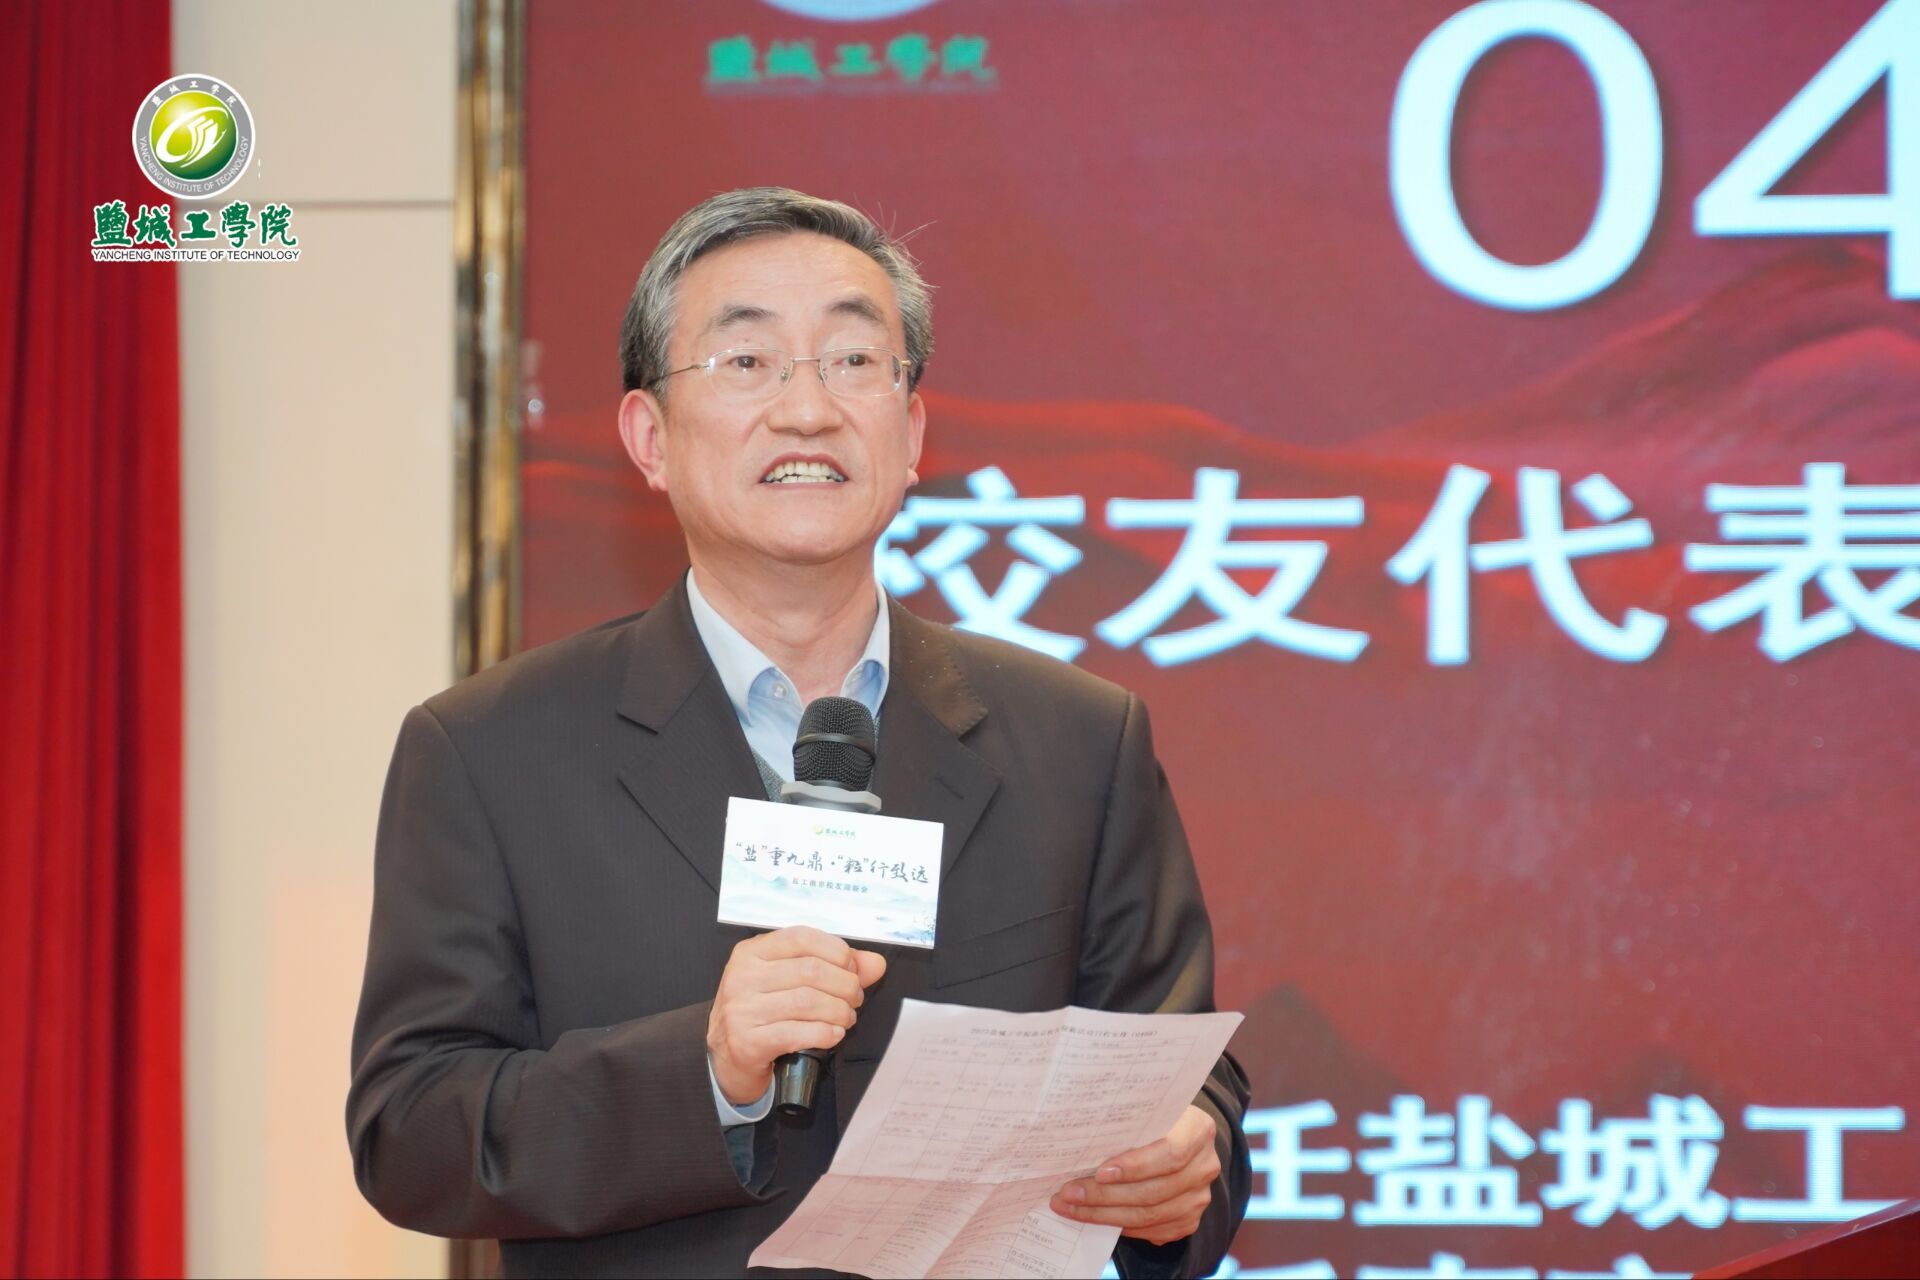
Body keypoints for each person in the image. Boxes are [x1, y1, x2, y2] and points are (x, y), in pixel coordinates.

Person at [347, 187, 1251, 1278]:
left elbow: (1184, 1079)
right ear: (649, 437)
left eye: (855, 361)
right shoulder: (489, 752)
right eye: (748, 361)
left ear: (912, 433)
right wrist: (705, 1070)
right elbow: (411, 1128)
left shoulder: (1077, 739)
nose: (810, 410)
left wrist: (1183, 1163)